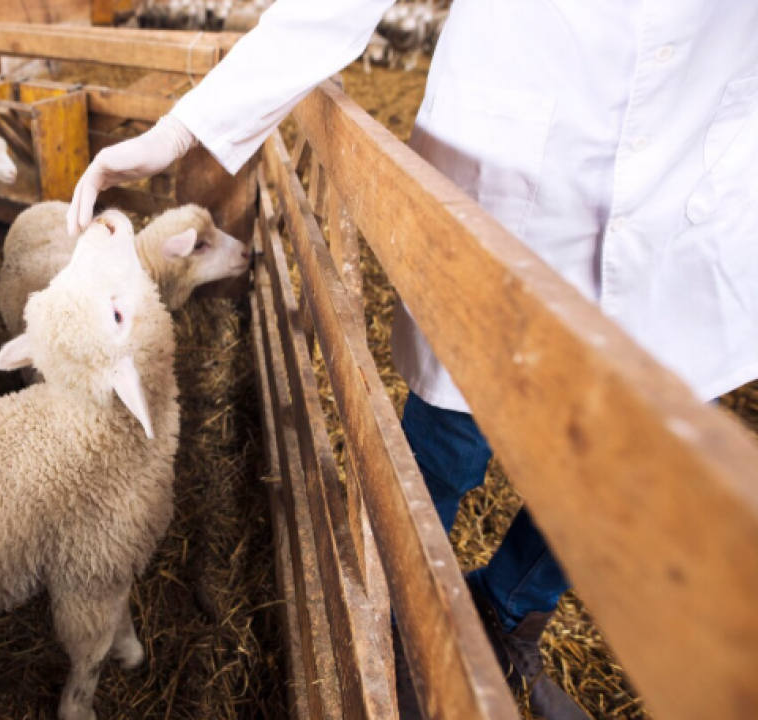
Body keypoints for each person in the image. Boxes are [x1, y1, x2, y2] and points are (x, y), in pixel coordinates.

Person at [66, 1, 758, 719]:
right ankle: (403, 622)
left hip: (695, 179)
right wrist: (182, 130)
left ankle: (510, 611)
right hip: (512, 178)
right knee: (450, 445)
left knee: (626, 464)